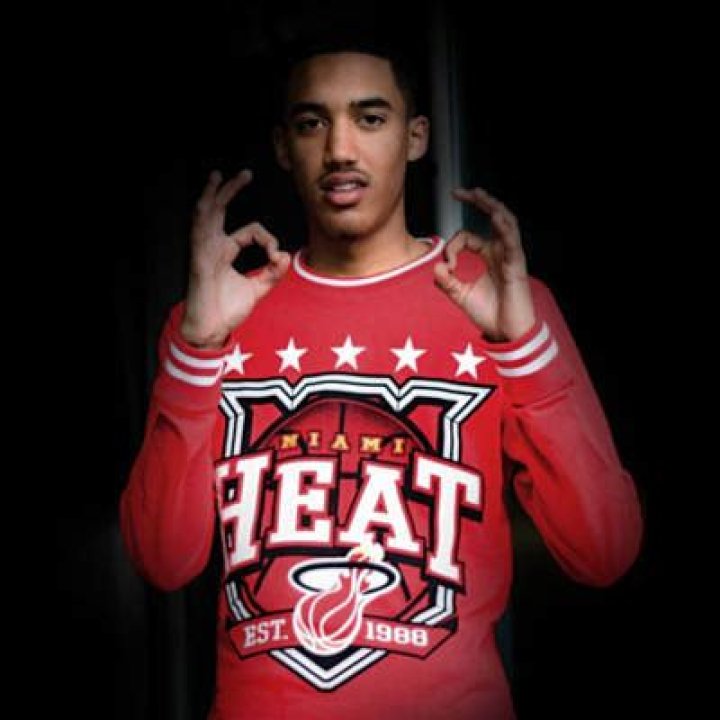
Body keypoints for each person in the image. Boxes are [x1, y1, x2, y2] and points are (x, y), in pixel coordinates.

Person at [120, 34, 643, 720]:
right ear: (283, 146)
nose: (340, 149)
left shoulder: (505, 305)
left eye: (370, 118)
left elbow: (605, 551)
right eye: (312, 123)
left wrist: (522, 351)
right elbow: (161, 560)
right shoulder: (214, 316)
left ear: (416, 136)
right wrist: (198, 350)